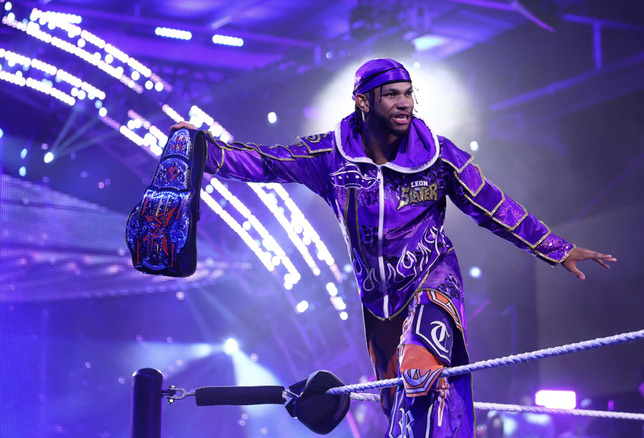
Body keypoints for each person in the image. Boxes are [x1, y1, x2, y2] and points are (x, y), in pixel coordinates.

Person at [171, 58, 616, 437]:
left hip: (432, 279)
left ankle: (428, 371)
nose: (404, 102)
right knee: (400, 413)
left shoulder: (440, 156)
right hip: (380, 304)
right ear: (363, 102)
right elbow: (267, 162)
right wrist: (202, 149)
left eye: (408, 93)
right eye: (390, 94)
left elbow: (494, 207)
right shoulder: (331, 155)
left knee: (420, 367)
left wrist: (557, 248)